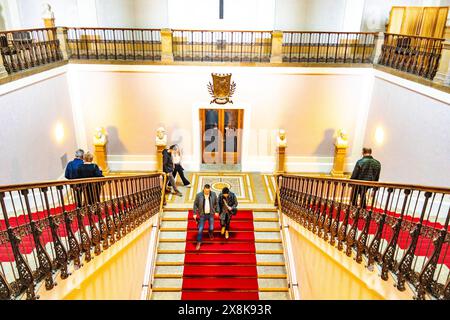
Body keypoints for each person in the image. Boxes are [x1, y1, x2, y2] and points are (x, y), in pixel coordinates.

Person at [193, 184, 219, 250]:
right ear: (204, 189)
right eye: (206, 191)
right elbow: (195, 204)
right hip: (202, 215)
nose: (207, 192)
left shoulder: (213, 194)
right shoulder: (199, 195)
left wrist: (216, 211)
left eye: (208, 191)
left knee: (211, 227)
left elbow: (217, 203)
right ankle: (199, 242)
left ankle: (210, 232)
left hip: (211, 214)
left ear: (210, 189)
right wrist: (194, 213)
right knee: (200, 229)